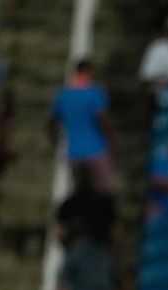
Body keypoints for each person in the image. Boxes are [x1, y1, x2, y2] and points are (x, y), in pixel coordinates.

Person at [47, 58, 119, 194]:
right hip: (97, 150)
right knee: (104, 191)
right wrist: (113, 142)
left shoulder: (63, 94)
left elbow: (51, 121)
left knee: (78, 192)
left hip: (73, 151)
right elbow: (103, 120)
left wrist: (54, 140)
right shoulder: (95, 93)